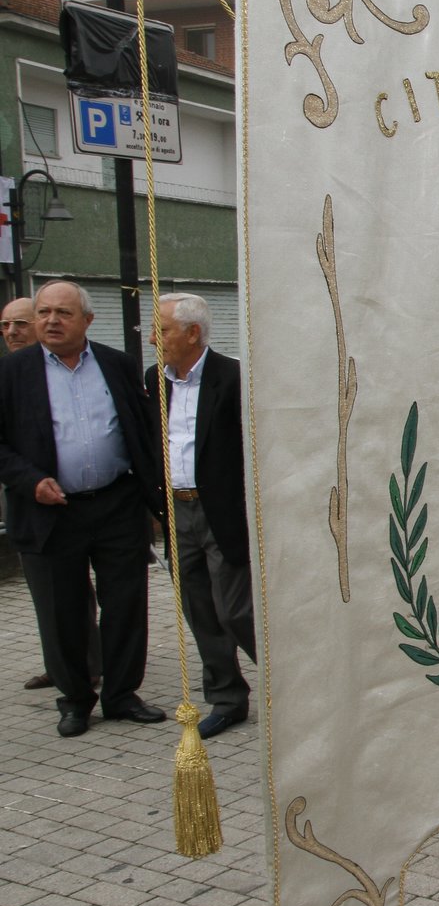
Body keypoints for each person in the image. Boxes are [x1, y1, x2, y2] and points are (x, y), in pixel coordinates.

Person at [0, 280, 164, 737]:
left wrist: (155, 497)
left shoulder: (116, 364)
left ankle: (122, 695)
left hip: (116, 503)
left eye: (63, 313)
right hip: (51, 510)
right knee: (63, 611)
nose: (51, 321)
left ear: (87, 321)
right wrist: (30, 481)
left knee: (126, 604)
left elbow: (139, 430)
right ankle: (75, 699)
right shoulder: (12, 372)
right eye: (44, 312)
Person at [146, 293, 256, 739]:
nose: (155, 338)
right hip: (177, 511)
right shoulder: (154, 379)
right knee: (200, 611)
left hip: (221, 512)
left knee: (235, 609)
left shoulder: (232, 378)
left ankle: (289, 685)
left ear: (193, 333)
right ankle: (227, 699)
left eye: (163, 330)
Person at [4, 295, 103, 693]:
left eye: (20, 324)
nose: (13, 332)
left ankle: (90, 664)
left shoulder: (85, 369)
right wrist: (30, 481)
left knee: (81, 595)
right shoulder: (10, 375)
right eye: (5, 325)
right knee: (49, 595)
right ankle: (64, 667)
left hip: (93, 502)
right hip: (36, 507)